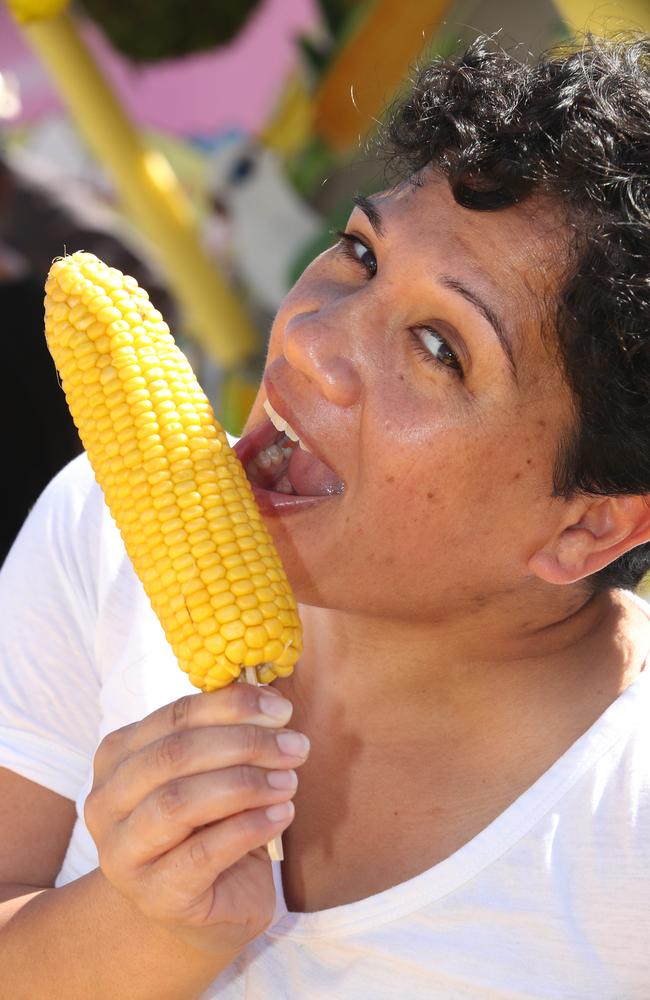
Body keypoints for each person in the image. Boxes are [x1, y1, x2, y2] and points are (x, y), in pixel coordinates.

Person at [1, 34, 650, 999]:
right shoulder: (101, 533)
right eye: (358, 252)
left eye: (439, 346)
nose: (308, 340)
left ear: (587, 529)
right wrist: (141, 928)